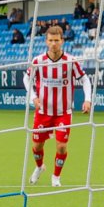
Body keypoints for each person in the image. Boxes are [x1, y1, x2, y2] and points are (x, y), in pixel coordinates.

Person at [25, 25, 93, 188]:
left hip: (63, 112)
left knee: (62, 147)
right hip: (43, 112)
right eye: (51, 40)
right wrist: (33, 97)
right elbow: (26, 79)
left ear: (62, 41)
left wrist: (88, 99)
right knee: (37, 146)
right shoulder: (38, 61)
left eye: (57, 40)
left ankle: (56, 176)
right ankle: (40, 167)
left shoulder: (70, 61)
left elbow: (84, 79)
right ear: (46, 41)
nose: (54, 43)